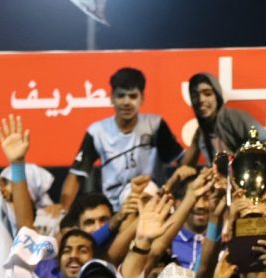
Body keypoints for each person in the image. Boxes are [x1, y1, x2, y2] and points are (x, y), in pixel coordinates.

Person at [63, 67, 184, 210]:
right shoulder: (97, 131)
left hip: (152, 204)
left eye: (133, 96)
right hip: (114, 209)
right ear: (111, 98)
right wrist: (63, 211)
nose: (126, 102)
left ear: (142, 99)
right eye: (121, 96)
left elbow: (183, 162)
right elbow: (75, 175)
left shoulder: (155, 125)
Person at [181, 72, 266, 167]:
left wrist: (242, 162)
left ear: (217, 96)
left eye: (207, 94)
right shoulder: (202, 131)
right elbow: (184, 167)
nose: (200, 100)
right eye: (194, 95)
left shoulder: (235, 117)